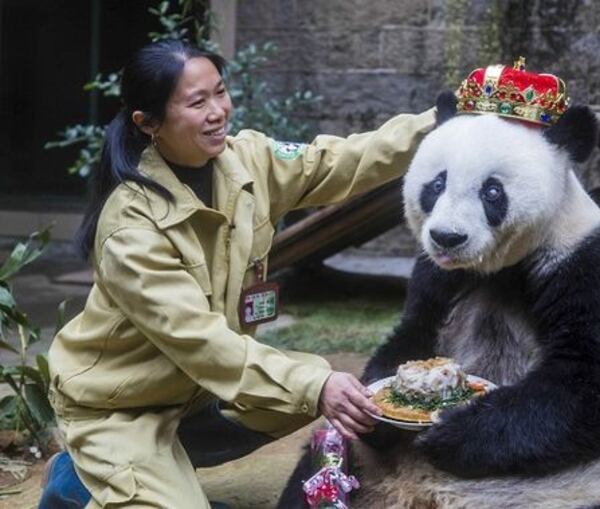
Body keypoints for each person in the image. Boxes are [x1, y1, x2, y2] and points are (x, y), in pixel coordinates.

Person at [39, 39, 435, 508]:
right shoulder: (131, 229)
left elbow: (343, 161)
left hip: (192, 392)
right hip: (119, 408)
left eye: (220, 92)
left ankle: (142, 469)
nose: (218, 111)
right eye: (196, 102)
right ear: (149, 124)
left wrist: (444, 123)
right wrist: (315, 388)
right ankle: (83, 474)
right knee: (309, 384)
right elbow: (203, 343)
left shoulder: (246, 159)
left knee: (307, 380)